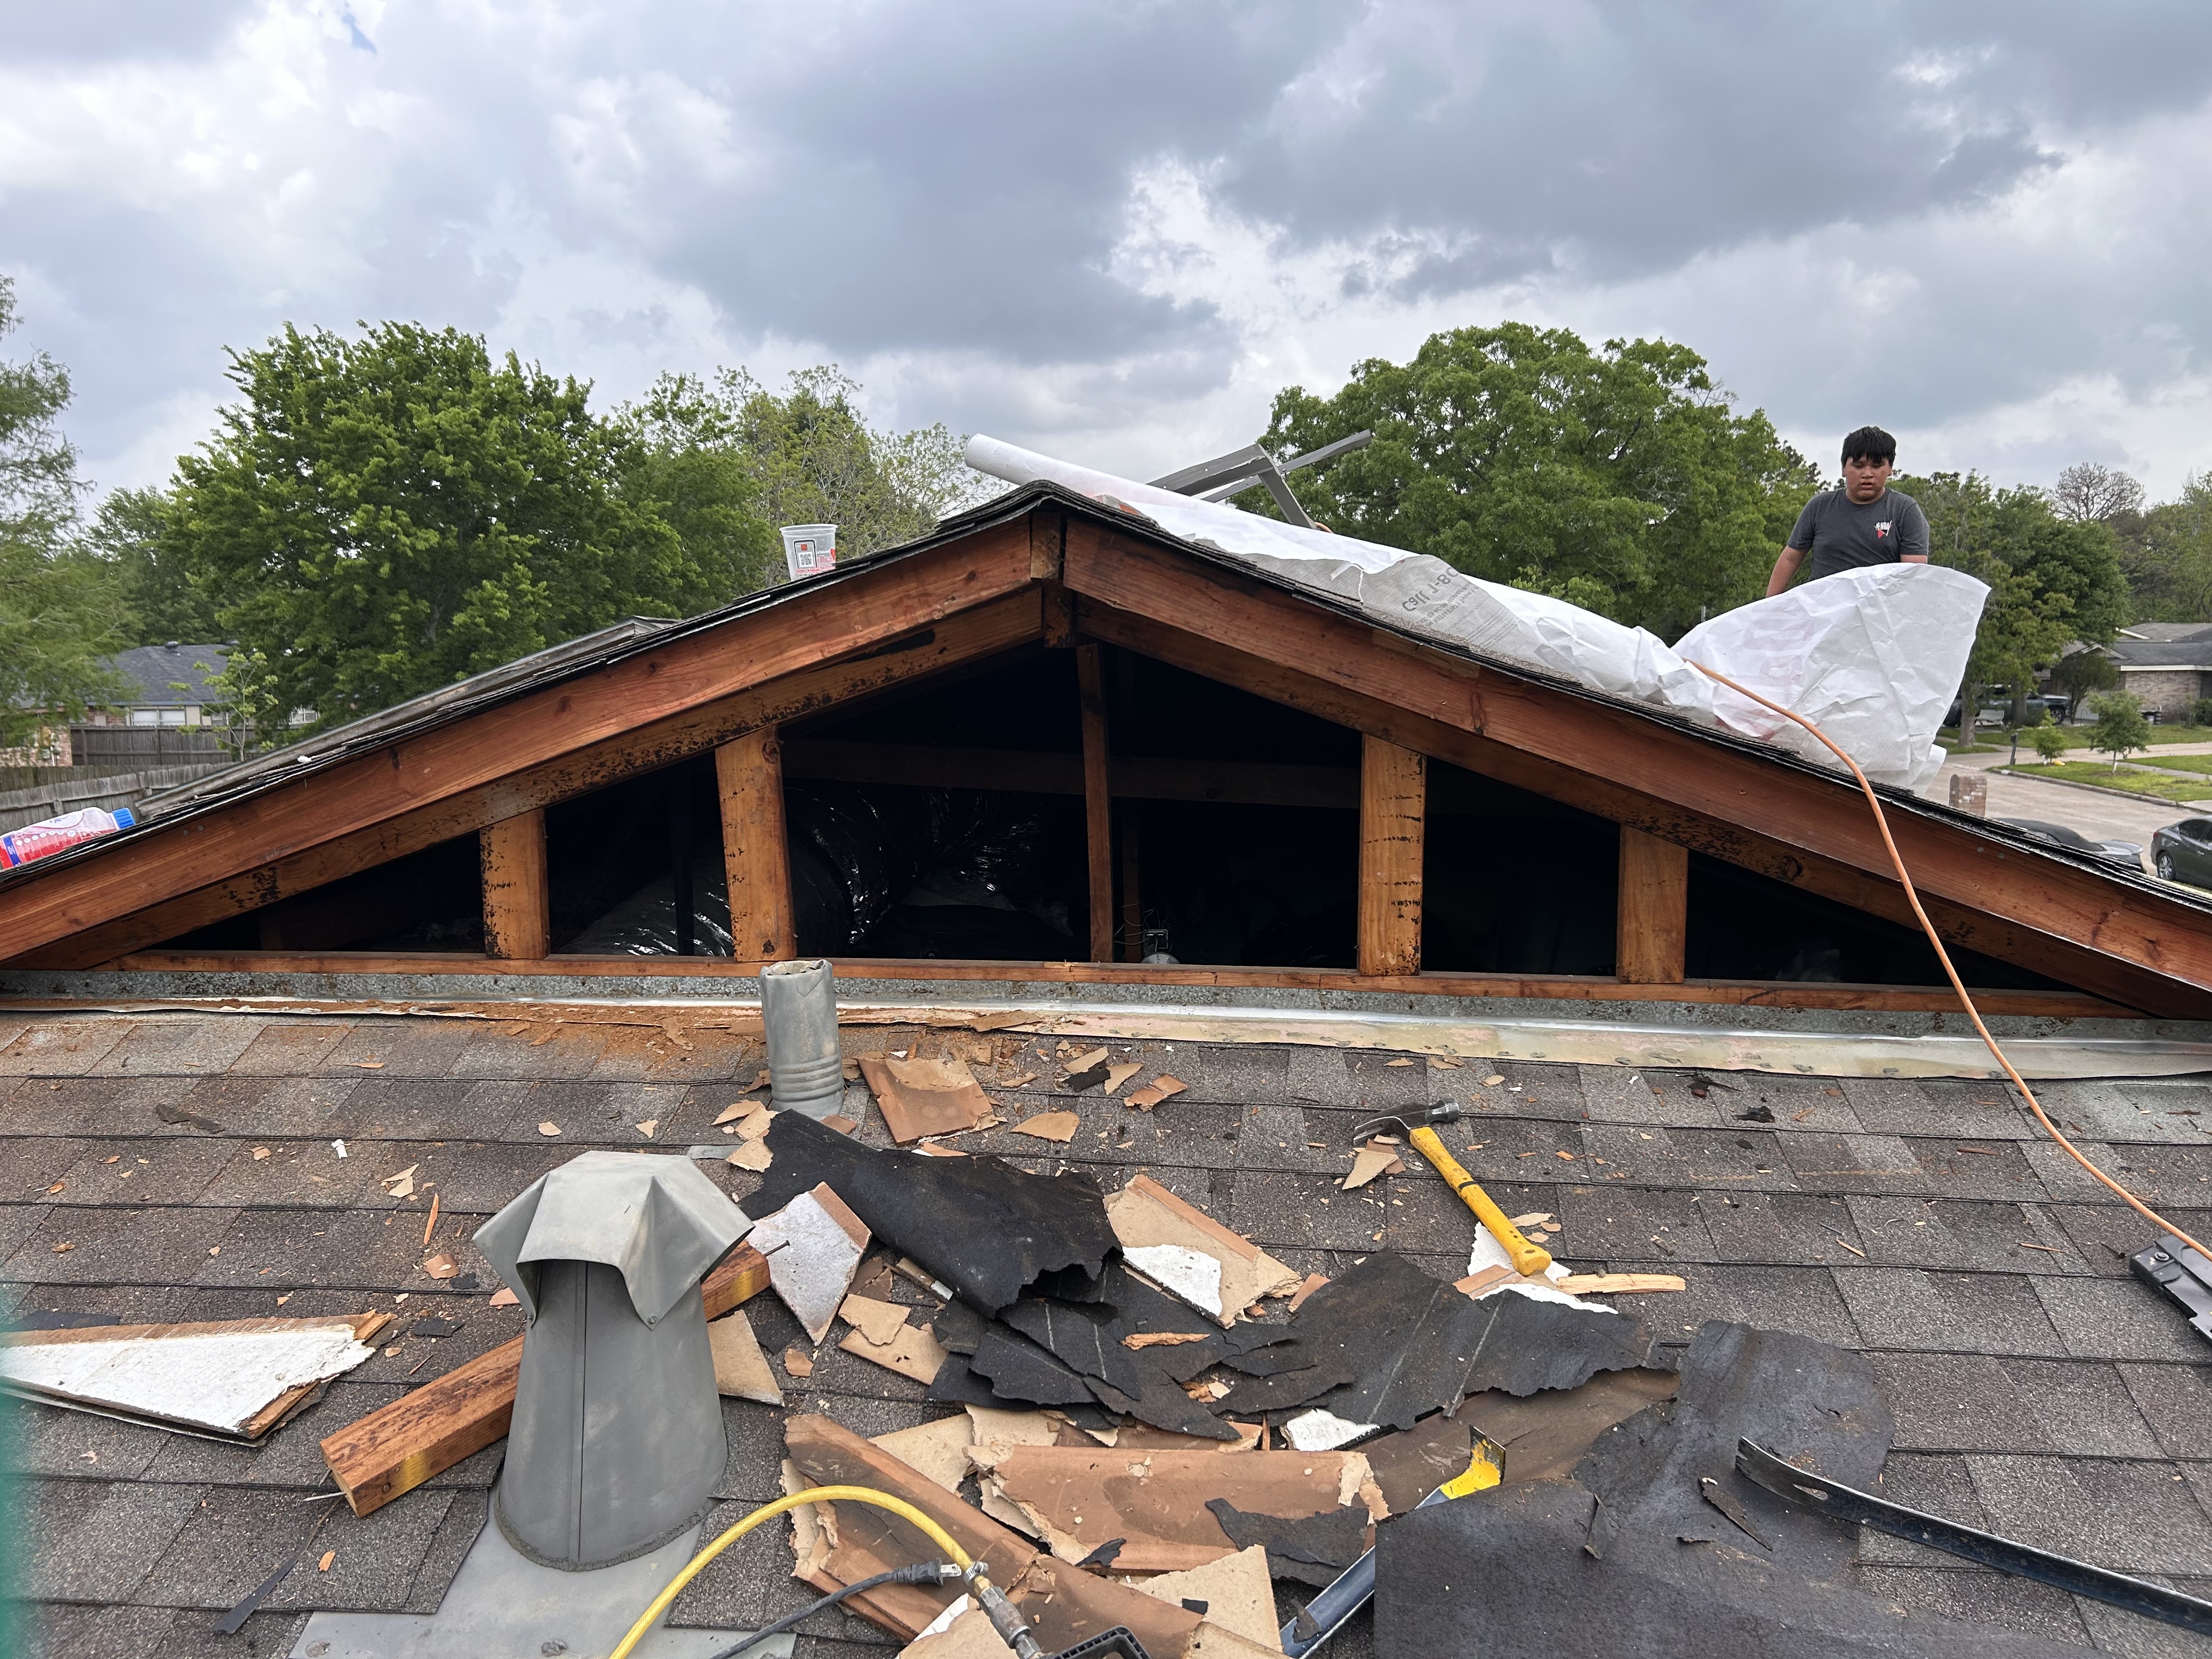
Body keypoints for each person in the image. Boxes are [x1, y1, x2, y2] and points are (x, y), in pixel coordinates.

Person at [1766, 425, 1929, 597]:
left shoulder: (1905, 511)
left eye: (1877, 466)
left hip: (1881, 608)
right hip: (1823, 606)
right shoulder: (1819, 506)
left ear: (1890, 469)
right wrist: (1767, 605)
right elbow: (1790, 559)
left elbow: (1913, 576)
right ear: (1844, 469)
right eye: (1858, 466)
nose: (1867, 474)